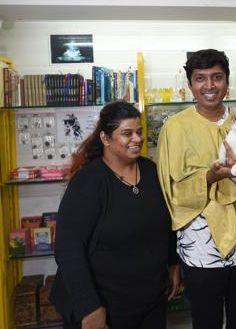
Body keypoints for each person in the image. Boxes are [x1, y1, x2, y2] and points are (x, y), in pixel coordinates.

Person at [156, 49, 236, 329]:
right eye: (200, 78)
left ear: (227, 82)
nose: (209, 85)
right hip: (199, 246)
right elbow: (169, 189)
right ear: (190, 85)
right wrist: (211, 177)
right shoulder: (174, 129)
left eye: (217, 77)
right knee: (206, 320)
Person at [50, 101, 181, 329]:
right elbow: (68, 248)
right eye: (127, 133)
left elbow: (165, 223)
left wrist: (173, 263)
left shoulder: (151, 171)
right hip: (105, 307)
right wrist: (89, 307)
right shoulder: (88, 182)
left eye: (139, 132)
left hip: (150, 301)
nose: (137, 139)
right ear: (105, 139)